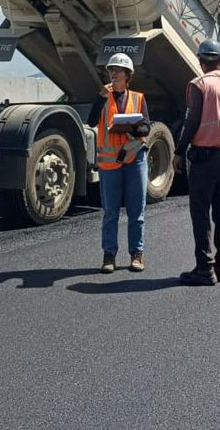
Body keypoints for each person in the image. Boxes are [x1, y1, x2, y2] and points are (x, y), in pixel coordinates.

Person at [173, 39, 220, 286]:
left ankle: (205, 269)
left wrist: (179, 151)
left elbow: (191, 121)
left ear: (201, 61)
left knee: (201, 212)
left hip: (206, 158)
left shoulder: (199, 84)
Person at [88, 53, 150, 274]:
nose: (113, 73)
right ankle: (109, 256)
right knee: (110, 212)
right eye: (111, 70)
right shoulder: (104, 97)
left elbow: (146, 128)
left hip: (135, 159)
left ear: (127, 75)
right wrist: (101, 98)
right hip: (110, 163)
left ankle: (137, 255)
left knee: (137, 212)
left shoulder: (138, 98)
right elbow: (91, 121)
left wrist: (131, 126)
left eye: (117, 70)